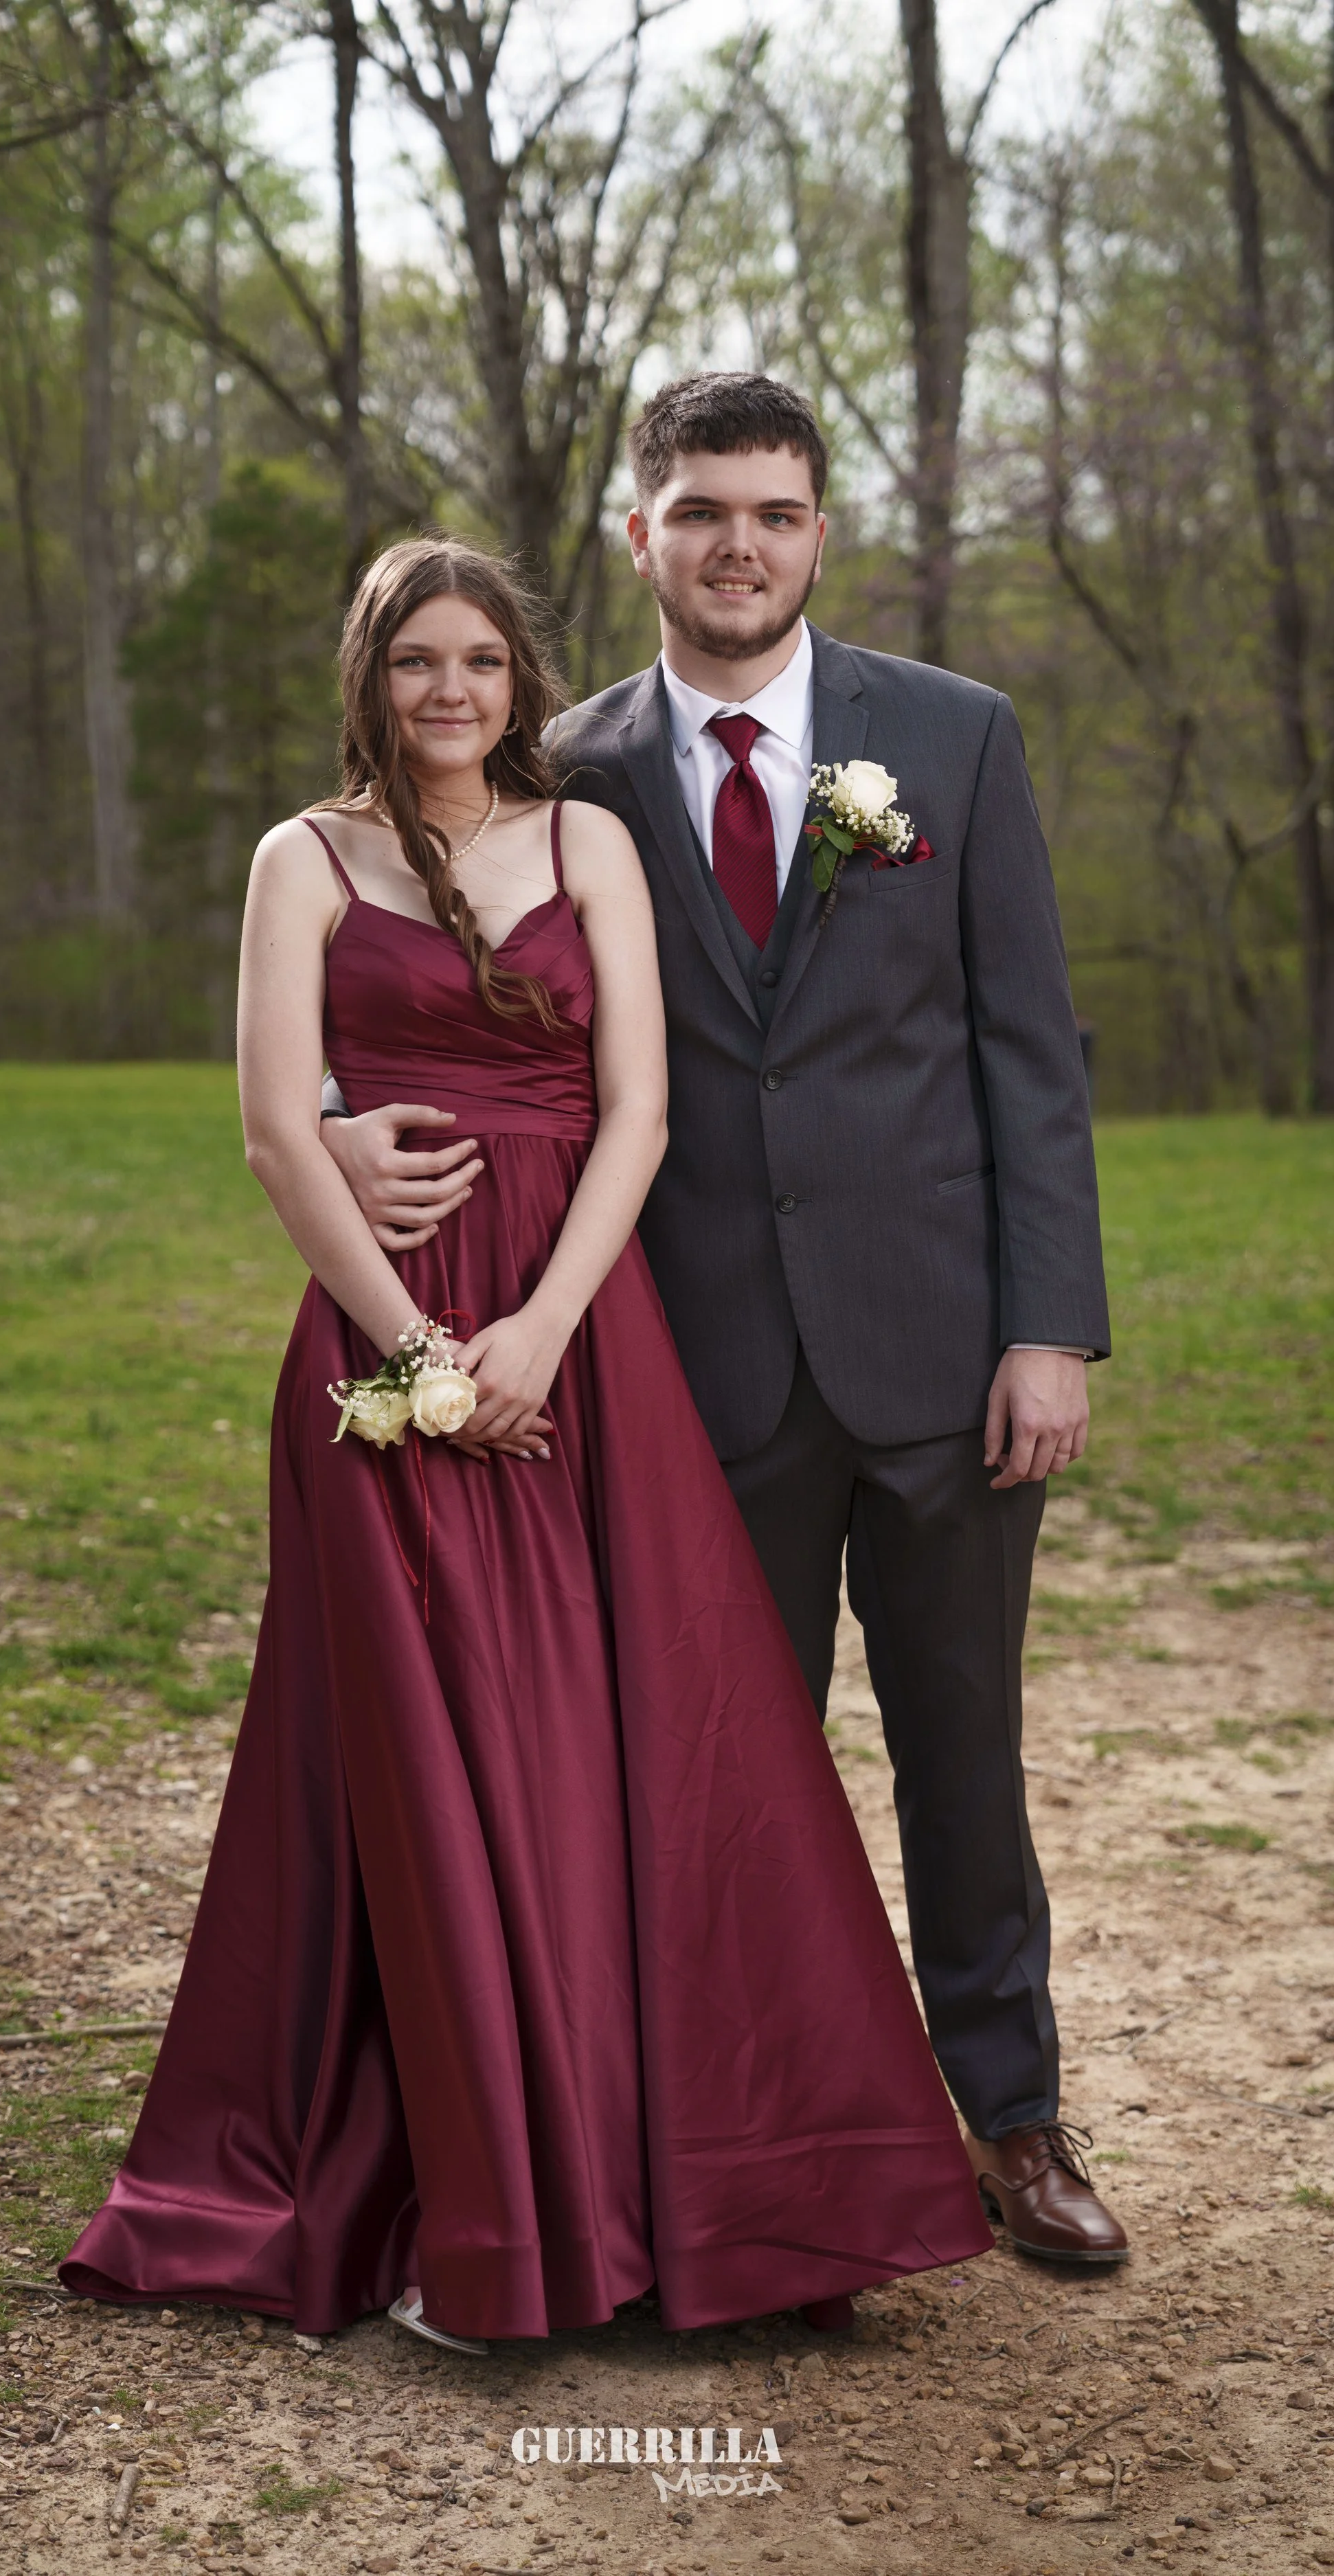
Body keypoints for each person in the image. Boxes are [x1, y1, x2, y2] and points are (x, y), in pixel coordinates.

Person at [58, 533, 993, 2352]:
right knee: (427, 1760)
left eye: (481, 661)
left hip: (580, 1338)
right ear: (369, 677)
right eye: (416, 661)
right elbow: (270, 1129)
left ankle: (709, 2191)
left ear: (521, 679)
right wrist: (414, 1351)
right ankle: (478, 2214)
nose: (450, 692)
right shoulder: (300, 860)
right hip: (381, 1347)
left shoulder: (586, 846)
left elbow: (637, 1110)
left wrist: (538, 1333)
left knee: (625, 1739)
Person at [321, 374, 1129, 2266]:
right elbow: (435, 971)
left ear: (817, 529)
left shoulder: (951, 738)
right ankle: (749, 2157)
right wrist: (350, 1133)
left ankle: (1011, 2121)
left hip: (941, 1352)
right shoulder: (564, 768)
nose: (735, 543)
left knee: (964, 1753)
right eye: (698, 511)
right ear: (639, 536)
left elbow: (1032, 1055)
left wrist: (1048, 1327)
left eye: (769, 509)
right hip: (683, 1372)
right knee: (708, 1777)